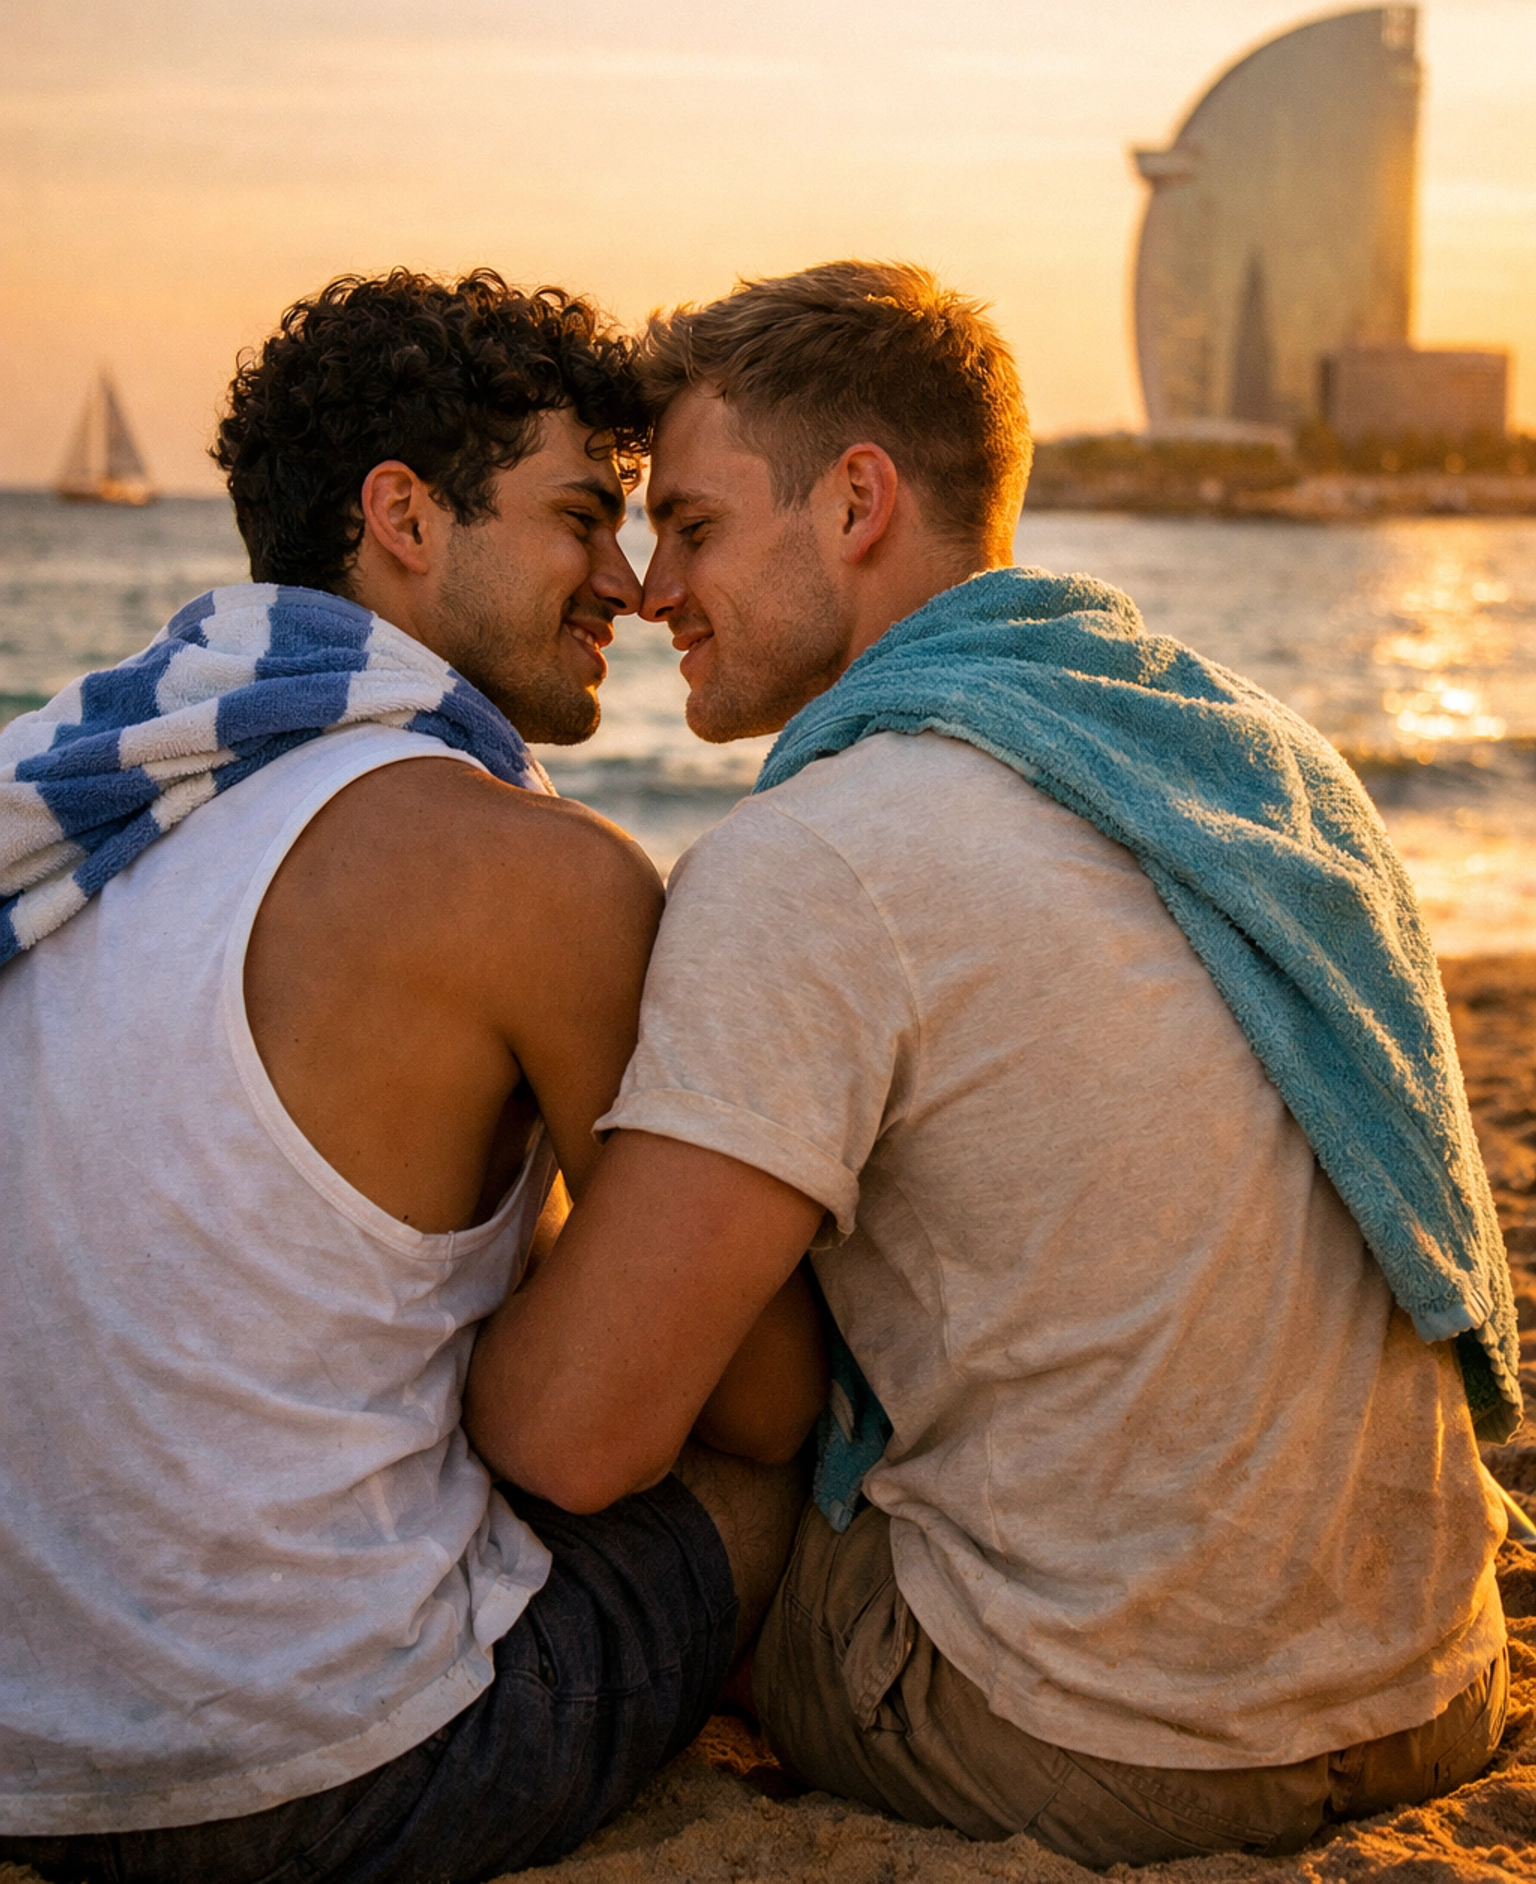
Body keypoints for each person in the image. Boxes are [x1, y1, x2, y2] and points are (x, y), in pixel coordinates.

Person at [466, 259, 1515, 1869]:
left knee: (720, 1481)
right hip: (1432, 1680)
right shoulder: (1245, 767)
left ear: (858, 502)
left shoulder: (817, 856)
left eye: (690, 525)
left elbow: (574, 1436)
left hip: (1097, 1743)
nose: (647, 585)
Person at [0, 269, 823, 1884]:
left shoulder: (92, 806)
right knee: (762, 1461)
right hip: (322, 1781)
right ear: (402, 516)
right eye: (584, 517)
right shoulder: (533, 876)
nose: (630, 586)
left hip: (26, 1749)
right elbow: (756, 1398)